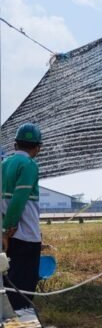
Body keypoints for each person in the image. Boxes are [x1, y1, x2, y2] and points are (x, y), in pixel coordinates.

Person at [1, 123, 42, 310]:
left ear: (15, 145)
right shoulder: (29, 165)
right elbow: (20, 198)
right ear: (37, 148)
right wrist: (8, 227)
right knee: (23, 286)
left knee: (7, 279)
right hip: (25, 236)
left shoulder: (4, 165)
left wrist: (3, 232)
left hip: (7, 237)